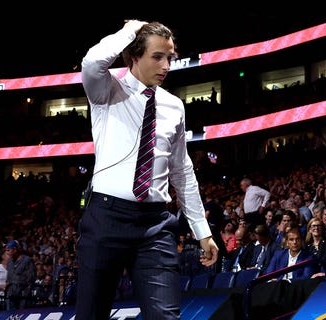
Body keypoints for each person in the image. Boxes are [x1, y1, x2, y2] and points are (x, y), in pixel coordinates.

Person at [78, 20, 219, 319]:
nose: (166, 65)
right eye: (157, 56)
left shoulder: (174, 106)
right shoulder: (106, 91)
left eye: (170, 57)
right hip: (106, 219)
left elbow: (182, 170)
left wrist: (202, 231)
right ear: (133, 57)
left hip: (156, 226)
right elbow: (92, 62)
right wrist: (131, 30)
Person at [5, 240, 36, 311]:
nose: (7, 252)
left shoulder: (27, 260)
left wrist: (26, 292)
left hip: (23, 295)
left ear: (15, 250)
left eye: (8, 250)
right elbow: (9, 277)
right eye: (6, 250)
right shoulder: (9, 262)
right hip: (11, 294)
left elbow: (31, 278)